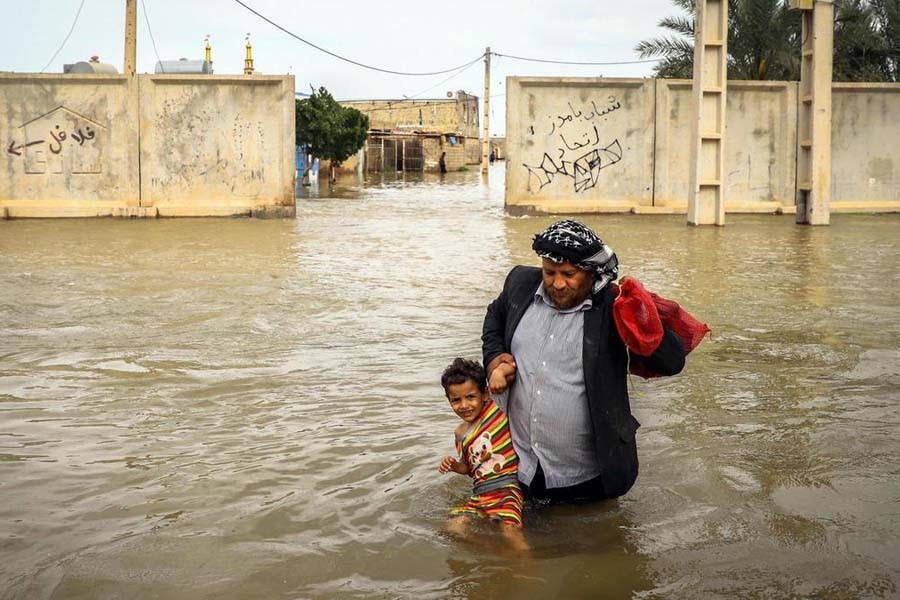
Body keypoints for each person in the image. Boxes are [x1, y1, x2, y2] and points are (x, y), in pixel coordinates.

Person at [482, 220, 685, 504]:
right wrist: (494, 360)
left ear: (591, 272)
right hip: (520, 467)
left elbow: (672, 362)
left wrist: (642, 316)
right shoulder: (520, 283)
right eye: (549, 272)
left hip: (587, 477)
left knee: (592, 539)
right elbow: (495, 316)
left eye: (569, 273)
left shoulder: (613, 306)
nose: (557, 283)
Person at [438, 358, 528, 550]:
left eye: (471, 397)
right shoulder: (460, 433)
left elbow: (511, 369)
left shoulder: (495, 409)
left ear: (485, 394)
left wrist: (498, 372)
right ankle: (489, 548)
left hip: (506, 489)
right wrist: (454, 465)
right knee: (453, 527)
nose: (464, 405)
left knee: (510, 530)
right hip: (480, 495)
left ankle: (525, 566)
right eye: (456, 400)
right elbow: (469, 468)